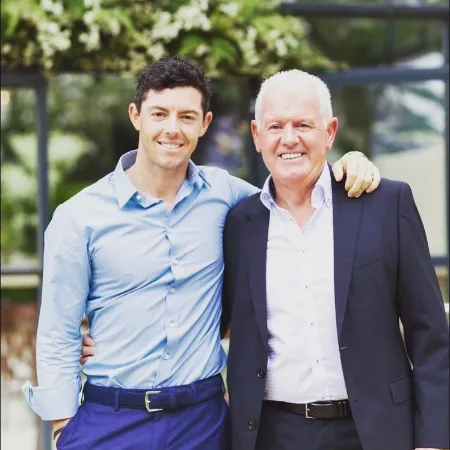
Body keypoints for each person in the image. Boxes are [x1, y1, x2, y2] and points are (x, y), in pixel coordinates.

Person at [22, 56, 380, 450]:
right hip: (111, 420)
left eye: (187, 116)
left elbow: (295, 190)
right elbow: (57, 332)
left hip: (204, 422)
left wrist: (348, 163)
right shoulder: (79, 217)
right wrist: (63, 428)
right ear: (135, 116)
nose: (172, 129)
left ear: (204, 124)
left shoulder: (227, 195)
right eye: (159, 113)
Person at [221, 69, 450, 450]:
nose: (289, 138)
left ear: (329, 132)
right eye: (275, 126)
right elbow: (214, 318)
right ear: (257, 135)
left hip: (375, 432)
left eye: (303, 125)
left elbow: (429, 335)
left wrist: (435, 441)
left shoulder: (386, 205)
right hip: (271, 434)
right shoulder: (238, 223)